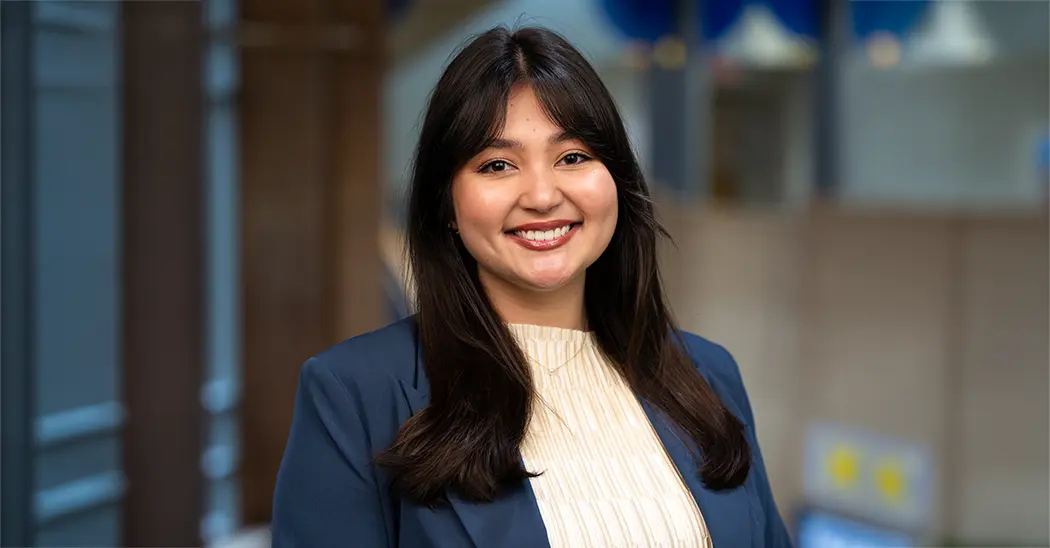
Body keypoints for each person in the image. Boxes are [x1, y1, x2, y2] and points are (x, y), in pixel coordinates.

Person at [271, 25, 792, 548]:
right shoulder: (355, 393)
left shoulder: (708, 374)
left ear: (618, 181)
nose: (543, 195)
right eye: (498, 165)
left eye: (573, 157)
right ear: (446, 205)